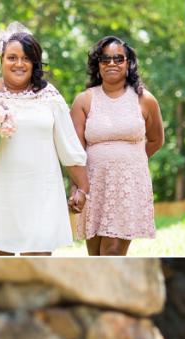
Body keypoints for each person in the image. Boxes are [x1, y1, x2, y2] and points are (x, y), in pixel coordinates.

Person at [0, 23, 89, 255]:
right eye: (12, 57)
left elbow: (69, 147)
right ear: (1, 60)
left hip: (40, 192)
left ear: (34, 62)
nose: (19, 63)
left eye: (25, 58)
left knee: (37, 266)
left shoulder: (49, 96)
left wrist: (83, 188)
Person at [70, 36, 164, 255]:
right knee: (95, 254)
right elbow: (75, 152)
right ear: (98, 64)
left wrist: (132, 162)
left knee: (112, 251)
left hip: (128, 185)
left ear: (128, 63)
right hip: (94, 183)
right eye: (105, 59)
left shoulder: (145, 100)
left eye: (118, 58)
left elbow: (156, 140)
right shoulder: (84, 100)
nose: (111, 63)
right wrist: (78, 188)